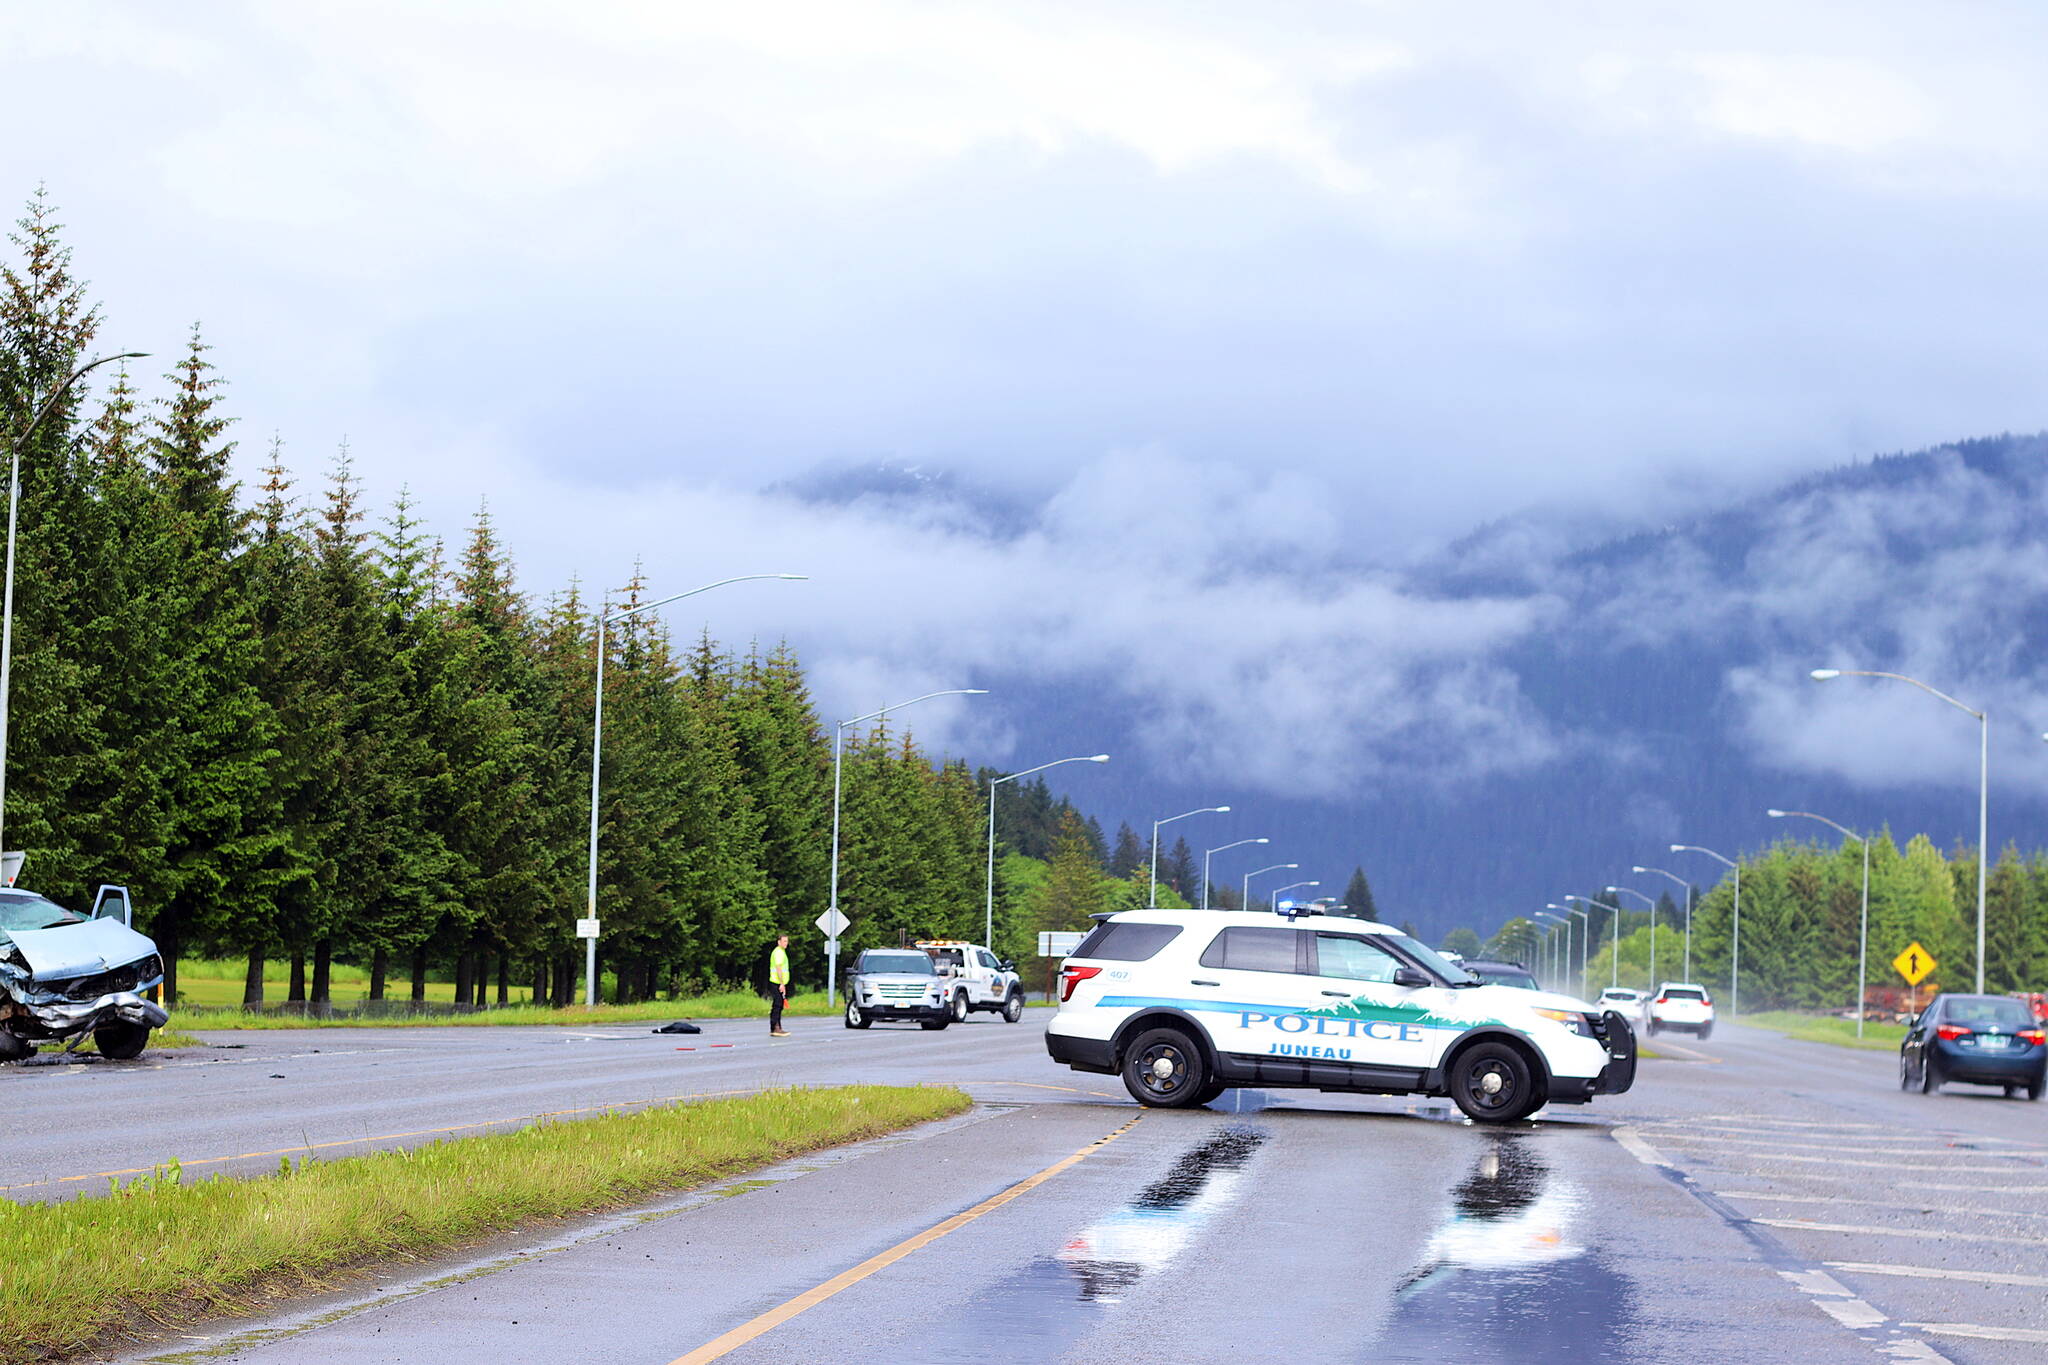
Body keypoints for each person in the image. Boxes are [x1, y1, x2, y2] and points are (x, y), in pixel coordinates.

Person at [767, 933, 791, 1036]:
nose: (786, 943)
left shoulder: (781, 952)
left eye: (787, 941)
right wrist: (781, 983)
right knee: (777, 1005)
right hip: (776, 982)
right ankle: (775, 1027)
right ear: (779, 942)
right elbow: (778, 968)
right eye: (784, 941)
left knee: (779, 1004)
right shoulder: (778, 953)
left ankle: (777, 1027)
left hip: (779, 983)